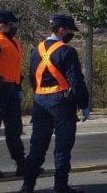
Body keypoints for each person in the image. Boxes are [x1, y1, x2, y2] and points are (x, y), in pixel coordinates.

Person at [21, 14, 90, 193]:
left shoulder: (36, 50)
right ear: (61, 29)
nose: (70, 34)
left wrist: (39, 96)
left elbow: (31, 77)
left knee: (37, 146)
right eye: (69, 30)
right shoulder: (67, 51)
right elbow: (76, 80)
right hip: (60, 102)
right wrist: (83, 103)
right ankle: (61, 186)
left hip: (39, 101)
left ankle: (27, 186)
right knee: (62, 147)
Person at [0, 10, 25, 178]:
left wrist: (18, 88)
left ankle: (22, 164)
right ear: (1, 25)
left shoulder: (14, 41)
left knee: (14, 129)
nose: (15, 27)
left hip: (11, 90)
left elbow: (14, 67)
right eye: (12, 25)